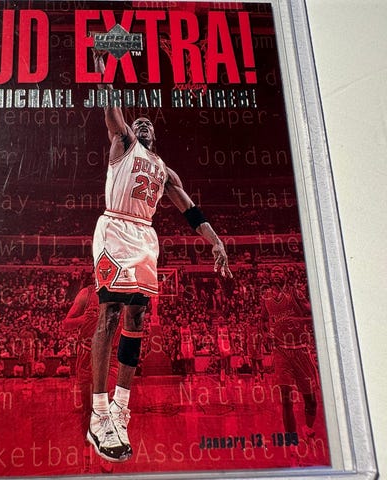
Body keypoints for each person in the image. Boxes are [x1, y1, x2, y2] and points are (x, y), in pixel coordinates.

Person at [87, 51, 233, 463]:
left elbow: (190, 210)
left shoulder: (165, 171)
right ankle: (98, 413)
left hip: (145, 237)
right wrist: (105, 74)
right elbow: (111, 110)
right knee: (110, 314)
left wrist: (216, 241)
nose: (142, 124)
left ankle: (121, 408)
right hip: (116, 227)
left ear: (156, 135)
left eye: (148, 123)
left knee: (136, 318)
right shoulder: (123, 143)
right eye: (137, 122)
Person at [63, 282, 119, 473]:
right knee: (87, 410)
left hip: (110, 356)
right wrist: (81, 320)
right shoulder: (86, 294)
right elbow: (65, 324)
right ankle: (87, 451)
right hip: (86, 356)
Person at [260, 265, 318, 439]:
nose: (276, 274)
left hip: (301, 350)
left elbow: (313, 315)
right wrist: (266, 334)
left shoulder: (295, 293)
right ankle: (291, 439)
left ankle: (308, 428)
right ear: (270, 276)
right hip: (281, 352)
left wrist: (297, 319)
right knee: (286, 400)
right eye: (274, 271)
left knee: (311, 401)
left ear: (285, 275)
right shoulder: (266, 297)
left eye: (279, 271)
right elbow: (263, 320)